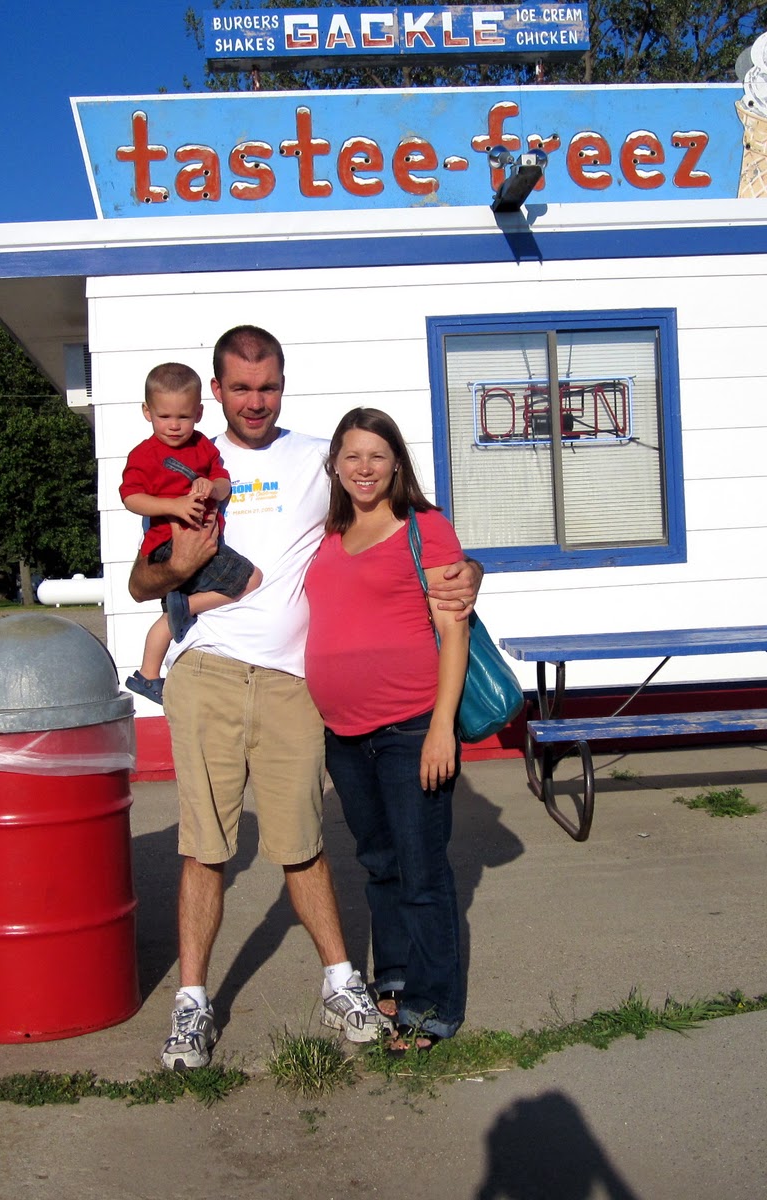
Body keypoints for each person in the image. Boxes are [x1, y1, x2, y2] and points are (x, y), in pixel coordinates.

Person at [127, 325, 482, 1071]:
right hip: (208, 674)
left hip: (293, 687)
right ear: (215, 391)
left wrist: (467, 568)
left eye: (270, 386)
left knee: (304, 844)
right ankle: (192, 1004)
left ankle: (341, 982)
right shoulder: (186, 464)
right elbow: (141, 582)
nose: (256, 401)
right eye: (241, 388)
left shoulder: (321, 460)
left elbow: (403, 515)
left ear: (283, 386)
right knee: (205, 848)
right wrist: (174, 569)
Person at [304, 407, 470, 1054]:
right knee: (379, 865)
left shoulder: (424, 529)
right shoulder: (328, 535)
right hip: (344, 737)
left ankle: (433, 1008)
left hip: (409, 730)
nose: (364, 468)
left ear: (396, 462)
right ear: (336, 465)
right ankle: (395, 980)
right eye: (352, 456)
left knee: (422, 870)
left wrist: (441, 730)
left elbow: (453, 630)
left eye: (376, 455)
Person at [118, 362, 261, 705]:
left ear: (198, 412)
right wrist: (174, 507)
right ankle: (187, 606)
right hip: (168, 546)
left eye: (183, 416)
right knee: (251, 578)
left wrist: (212, 486)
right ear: (146, 412)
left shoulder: (202, 447)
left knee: (168, 622)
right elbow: (131, 497)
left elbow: (224, 483)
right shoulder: (144, 455)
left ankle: (148, 676)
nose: (174, 425)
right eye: (164, 416)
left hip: (201, 542)